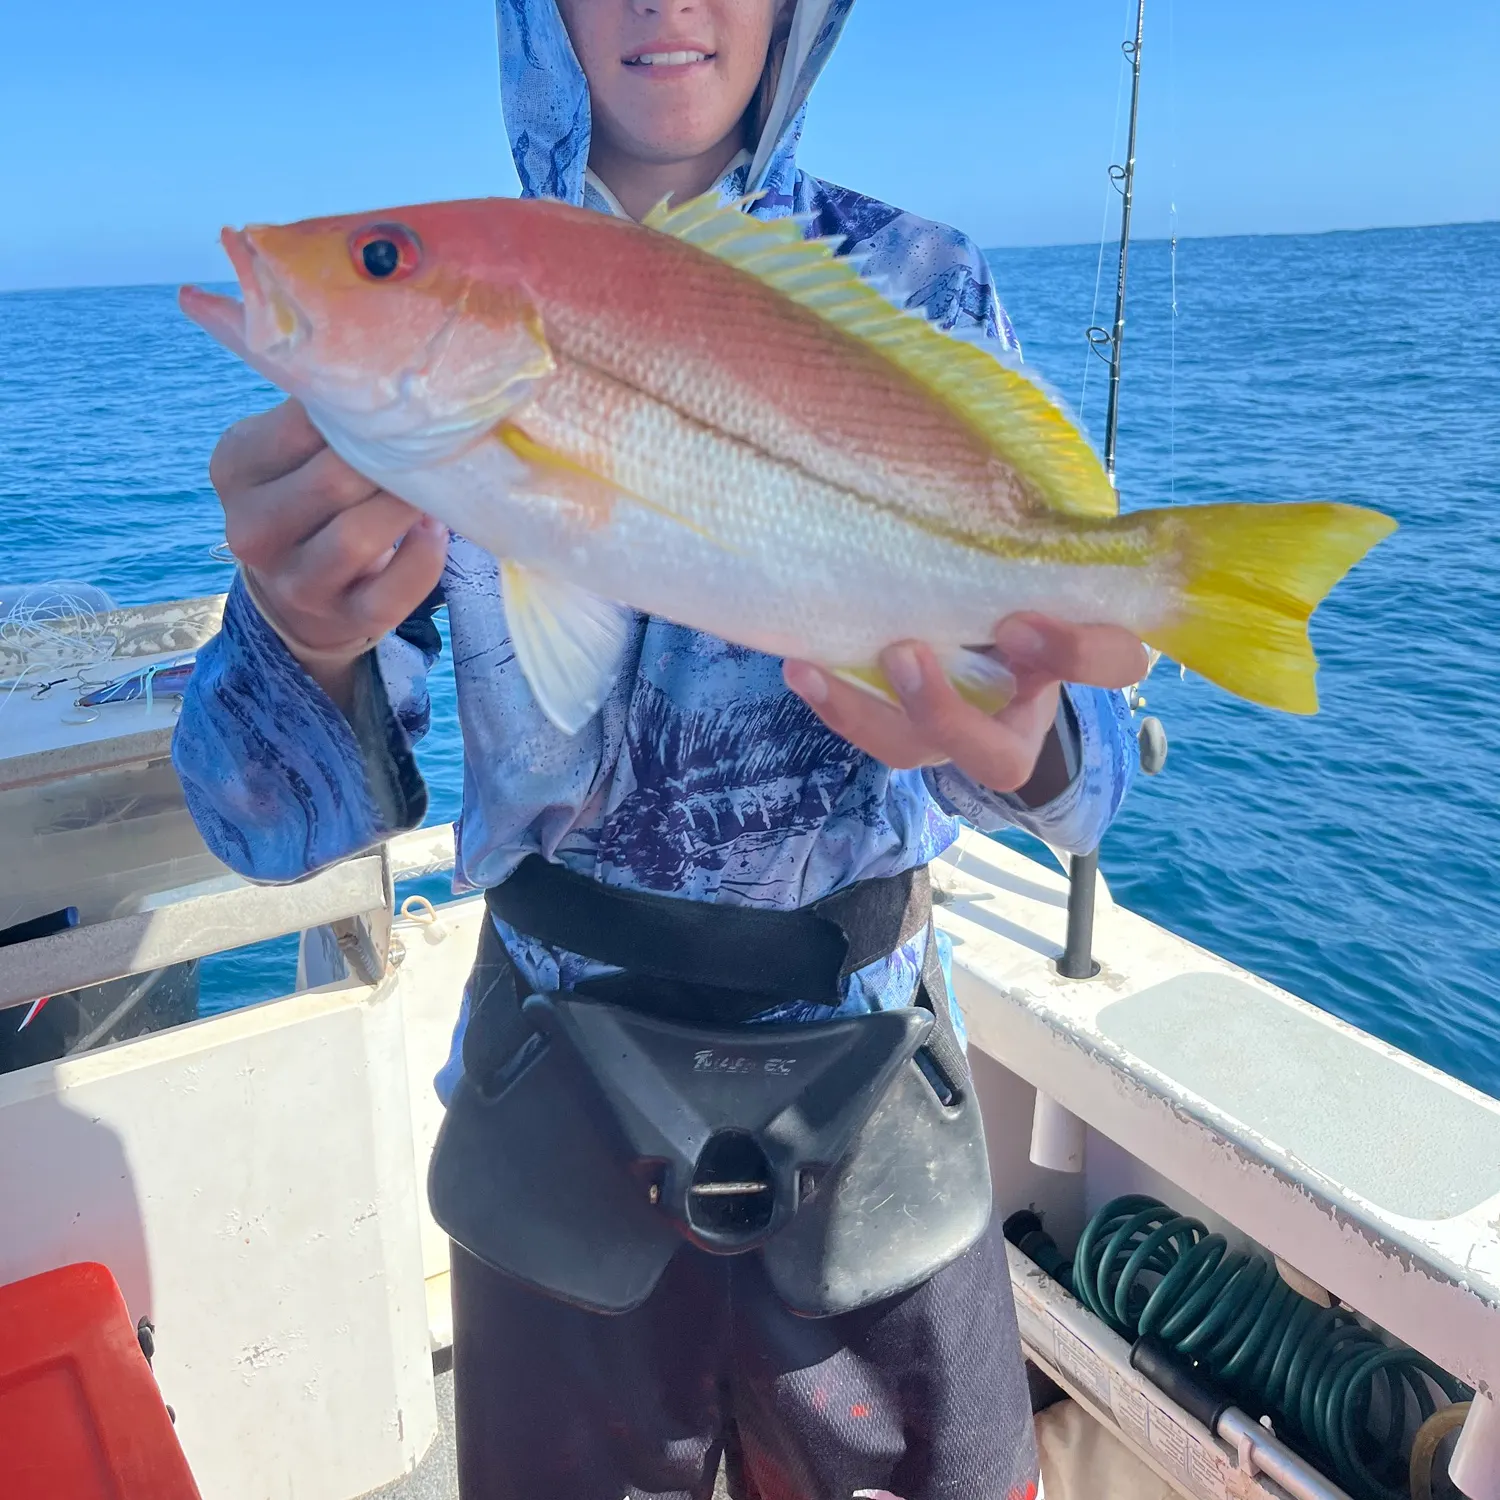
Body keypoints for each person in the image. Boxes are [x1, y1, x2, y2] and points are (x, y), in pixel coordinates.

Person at [173, 2, 1145, 1496]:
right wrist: (298, 641)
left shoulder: (921, 284)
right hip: (550, 1101)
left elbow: (1092, 780)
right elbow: (269, 831)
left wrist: (1023, 745)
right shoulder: (426, 376)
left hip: (875, 1086)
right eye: (378, 259)